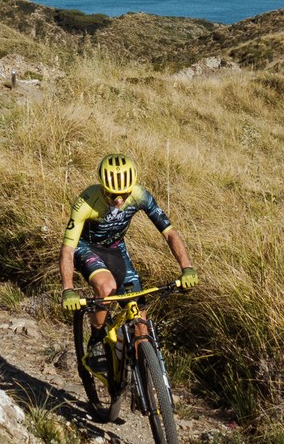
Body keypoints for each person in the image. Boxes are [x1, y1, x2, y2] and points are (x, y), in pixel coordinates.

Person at [60, 153, 198, 373]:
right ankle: (96, 339)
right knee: (107, 288)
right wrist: (68, 289)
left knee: (139, 318)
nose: (119, 201)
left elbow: (169, 233)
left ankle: (142, 378)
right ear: (102, 187)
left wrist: (187, 268)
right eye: (112, 195)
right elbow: (67, 249)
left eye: (124, 194)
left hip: (116, 251)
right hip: (86, 248)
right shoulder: (86, 201)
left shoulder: (140, 195)